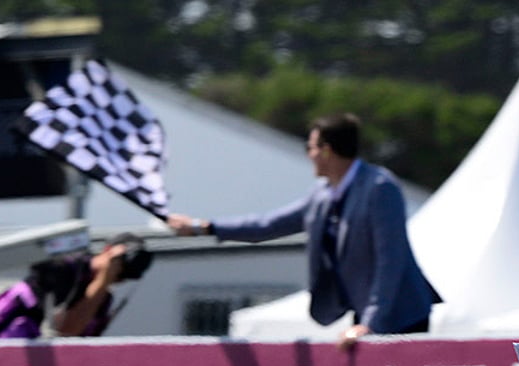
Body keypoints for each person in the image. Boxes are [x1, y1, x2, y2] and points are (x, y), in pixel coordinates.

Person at [166, 112, 441, 349]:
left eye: (310, 147)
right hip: (366, 318)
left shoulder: (380, 188)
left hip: (402, 315)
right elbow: (268, 225)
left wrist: (369, 325)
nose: (308, 155)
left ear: (326, 150)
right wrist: (204, 227)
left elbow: (389, 263)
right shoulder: (321, 195)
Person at [0, 233, 152, 339]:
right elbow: (64, 327)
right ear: (107, 250)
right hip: (7, 342)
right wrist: (102, 280)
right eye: (121, 264)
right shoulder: (65, 268)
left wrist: (101, 284)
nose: (120, 275)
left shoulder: (103, 300)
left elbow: (73, 338)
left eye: (128, 273)